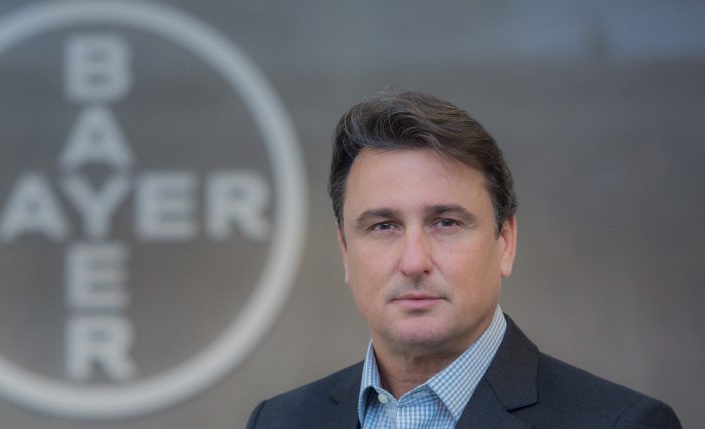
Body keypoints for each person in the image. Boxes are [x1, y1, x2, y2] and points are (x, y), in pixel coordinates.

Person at [245, 91, 681, 428]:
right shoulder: (278, 422)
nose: (413, 261)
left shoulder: (623, 423)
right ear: (345, 251)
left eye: (446, 223)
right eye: (383, 226)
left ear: (505, 242)